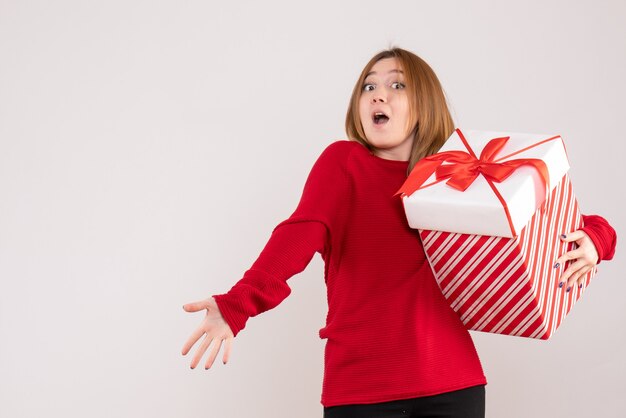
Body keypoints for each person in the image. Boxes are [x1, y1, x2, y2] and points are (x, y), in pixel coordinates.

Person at [181, 47, 617, 418]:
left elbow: (549, 220)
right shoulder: (343, 163)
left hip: (454, 385)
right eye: (368, 87)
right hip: (361, 392)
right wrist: (237, 305)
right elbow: (297, 236)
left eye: (396, 85)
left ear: (423, 102)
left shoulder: (454, 174)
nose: (378, 94)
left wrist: (597, 241)